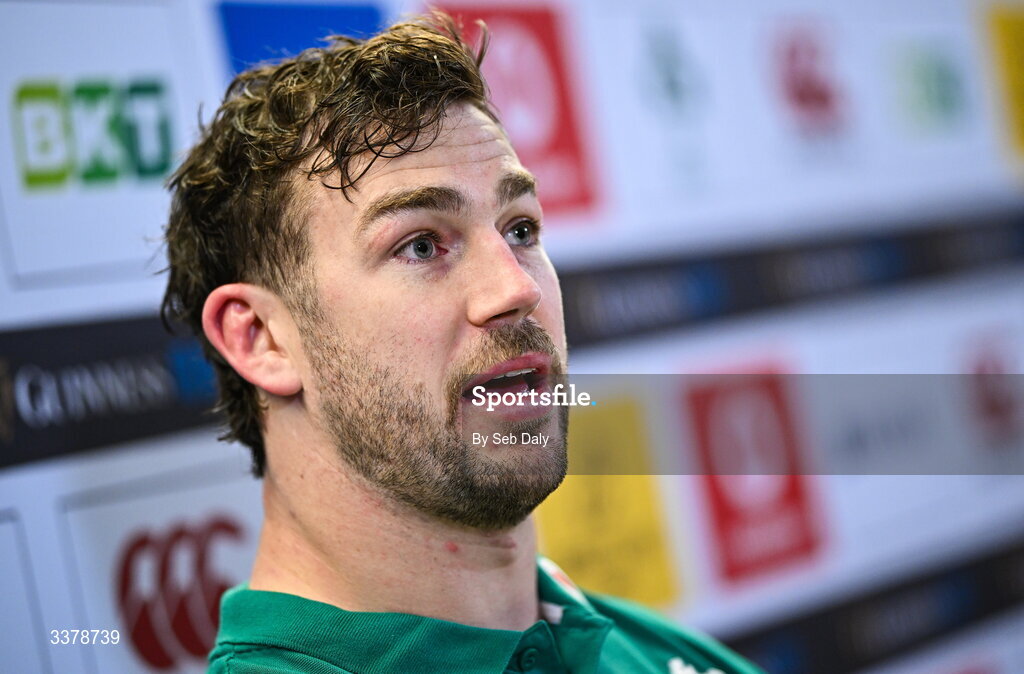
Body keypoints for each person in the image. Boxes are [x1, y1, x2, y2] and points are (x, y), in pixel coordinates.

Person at [162, 12, 763, 674]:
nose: (516, 289)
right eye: (421, 245)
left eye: (521, 230)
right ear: (261, 340)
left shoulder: (668, 656)